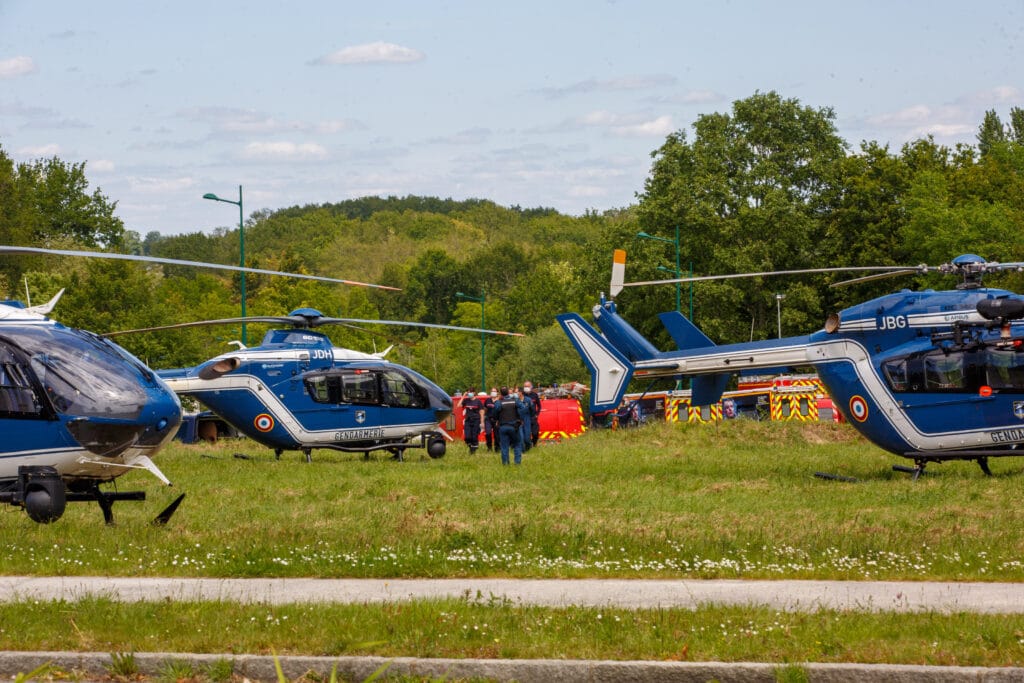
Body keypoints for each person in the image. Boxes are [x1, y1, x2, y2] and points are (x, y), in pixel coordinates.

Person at [491, 386, 524, 465]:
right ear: (509, 393)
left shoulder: (499, 402)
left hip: (503, 427)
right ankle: (517, 463)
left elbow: (494, 414)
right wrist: (519, 419)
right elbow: (523, 408)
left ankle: (505, 463)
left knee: (504, 447)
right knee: (517, 444)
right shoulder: (515, 401)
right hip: (514, 427)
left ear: (501, 394)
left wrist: (496, 420)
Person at [461, 388, 484, 454]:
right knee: (467, 436)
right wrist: (463, 396)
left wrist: (482, 422)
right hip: (468, 420)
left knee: (474, 436)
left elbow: (482, 412)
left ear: (474, 393)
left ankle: (473, 451)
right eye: (468, 392)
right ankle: (471, 446)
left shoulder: (478, 401)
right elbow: (458, 405)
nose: (469, 394)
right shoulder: (466, 400)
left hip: (476, 420)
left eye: (470, 392)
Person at [522, 381, 542, 447]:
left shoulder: (534, 395)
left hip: (533, 417)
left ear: (531, 387)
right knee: (526, 433)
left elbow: (539, 406)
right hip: (524, 418)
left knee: (535, 433)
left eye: (527, 386)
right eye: (525, 386)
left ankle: (534, 443)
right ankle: (528, 444)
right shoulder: (522, 395)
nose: (526, 388)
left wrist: (537, 414)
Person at [516, 386, 532, 452]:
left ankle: (528, 446)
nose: (516, 393)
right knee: (521, 438)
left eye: (517, 391)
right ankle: (523, 451)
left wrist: (531, 417)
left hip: (527, 419)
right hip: (519, 420)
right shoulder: (516, 401)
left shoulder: (528, 400)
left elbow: (532, 410)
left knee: (527, 439)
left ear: (521, 392)